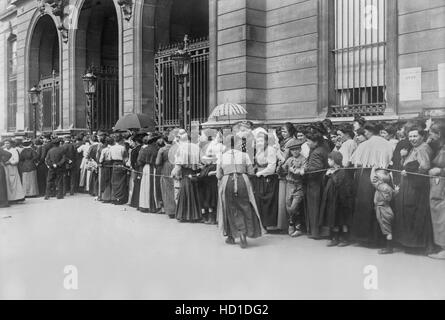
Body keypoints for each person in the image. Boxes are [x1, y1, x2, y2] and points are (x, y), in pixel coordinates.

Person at [216, 134, 264, 248]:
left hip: (227, 181)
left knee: (229, 208)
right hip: (243, 181)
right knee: (245, 207)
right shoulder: (245, 155)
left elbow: (218, 175)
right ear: (237, 143)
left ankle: (231, 235)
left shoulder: (222, 156)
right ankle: (243, 234)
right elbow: (251, 172)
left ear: (225, 144)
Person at [350, 122, 393, 247]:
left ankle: (364, 237)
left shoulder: (364, 145)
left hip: (366, 176)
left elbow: (355, 161)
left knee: (365, 205)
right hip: (382, 175)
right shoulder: (387, 144)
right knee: (380, 206)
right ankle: (379, 239)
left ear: (368, 132)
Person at [394, 126, 434, 253]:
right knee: (408, 212)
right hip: (408, 185)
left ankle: (416, 245)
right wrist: (403, 157)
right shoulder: (415, 148)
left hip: (416, 187)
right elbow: (407, 165)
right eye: (410, 136)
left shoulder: (423, 148)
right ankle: (410, 243)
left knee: (413, 212)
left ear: (422, 136)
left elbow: (425, 167)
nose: (412, 139)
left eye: (415, 136)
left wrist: (410, 173)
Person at [319, 151, 354, 247]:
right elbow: (325, 183)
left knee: (342, 220)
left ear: (334, 161)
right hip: (331, 199)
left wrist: (332, 174)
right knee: (333, 219)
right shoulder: (331, 170)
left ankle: (345, 238)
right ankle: (335, 238)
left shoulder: (342, 171)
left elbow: (338, 183)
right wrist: (326, 175)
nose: (328, 161)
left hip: (340, 200)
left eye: (329, 159)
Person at [302, 131, 329, 238]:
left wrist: (304, 169)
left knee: (314, 207)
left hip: (315, 183)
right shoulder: (322, 149)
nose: (307, 143)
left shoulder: (317, 152)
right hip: (320, 182)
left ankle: (315, 232)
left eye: (308, 141)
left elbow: (316, 168)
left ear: (316, 142)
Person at [172, 129, 202, 222]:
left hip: (185, 174)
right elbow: (202, 162)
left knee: (185, 193)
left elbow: (178, 165)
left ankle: (184, 215)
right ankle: (195, 215)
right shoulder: (197, 147)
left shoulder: (181, 148)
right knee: (194, 194)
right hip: (194, 174)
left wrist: (173, 174)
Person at [251, 131, 279, 231]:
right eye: (258, 140)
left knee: (266, 201)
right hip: (259, 178)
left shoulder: (270, 150)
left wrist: (259, 173)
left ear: (267, 141)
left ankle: (267, 225)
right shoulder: (259, 150)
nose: (259, 142)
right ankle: (261, 224)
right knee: (259, 200)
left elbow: (271, 167)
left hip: (268, 178)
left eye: (262, 140)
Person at [277, 139, 306, 237]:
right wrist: (280, 167)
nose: (295, 151)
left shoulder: (304, 159)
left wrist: (296, 170)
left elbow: (304, 171)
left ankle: (292, 224)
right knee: (288, 206)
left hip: (298, 185)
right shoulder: (289, 159)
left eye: (297, 149)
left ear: (300, 149)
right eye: (293, 150)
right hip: (289, 185)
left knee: (294, 207)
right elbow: (282, 171)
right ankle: (297, 226)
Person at [427, 121, 445, 259]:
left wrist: (440, 170)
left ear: (439, 133)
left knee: (442, 217)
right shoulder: (439, 146)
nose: (430, 136)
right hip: (438, 188)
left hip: (442, 188)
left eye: (431, 133)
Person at [370, 167, 398, 254]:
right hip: (387, 208)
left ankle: (389, 248)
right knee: (387, 228)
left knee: (387, 230)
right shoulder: (389, 187)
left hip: (382, 209)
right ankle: (388, 247)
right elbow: (393, 194)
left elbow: (373, 180)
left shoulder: (382, 186)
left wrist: (373, 169)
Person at [276, 123, 297, 233]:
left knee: (288, 200)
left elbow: (284, 158)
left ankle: (291, 224)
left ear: (290, 132)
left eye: (285, 131)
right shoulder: (284, 141)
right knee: (283, 200)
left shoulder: (291, 142)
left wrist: (277, 152)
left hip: (289, 173)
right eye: (282, 131)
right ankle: (284, 224)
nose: (283, 133)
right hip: (283, 172)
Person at [156, 130, 178, 218]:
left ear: (164, 141)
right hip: (175, 167)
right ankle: (177, 209)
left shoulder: (162, 149)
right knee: (175, 188)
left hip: (166, 168)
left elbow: (157, 162)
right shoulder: (176, 148)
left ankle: (170, 210)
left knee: (167, 190)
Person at [138, 133, 161, 213]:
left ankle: (145, 205)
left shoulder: (144, 149)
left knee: (145, 186)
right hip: (154, 168)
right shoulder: (157, 149)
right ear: (154, 141)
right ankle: (154, 205)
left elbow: (140, 161)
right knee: (154, 186)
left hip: (146, 168)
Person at [197, 148, 218, 224]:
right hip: (207, 186)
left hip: (210, 186)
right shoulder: (208, 166)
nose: (207, 160)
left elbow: (204, 175)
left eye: (209, 159)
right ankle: (209, 218)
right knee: (208, 202)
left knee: (210, 202)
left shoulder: (212, 167)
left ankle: (211, 219)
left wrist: (197, 176)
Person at [110, 135, 129, 205]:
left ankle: (114, 197)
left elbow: (110, 157)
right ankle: (120, 198)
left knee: (114, 181)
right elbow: (126, 158)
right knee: (121, 182)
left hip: (114, 164)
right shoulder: (122, 148)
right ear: (121, 140)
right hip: (121, 164)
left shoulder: (111, 148)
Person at [129, 134, 143, 209]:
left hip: (136, 169)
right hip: (142, 169)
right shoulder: (142, 148)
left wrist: (134, 168)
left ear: (136, 142)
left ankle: (135, 201)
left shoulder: (134, 150)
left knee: (135, 184)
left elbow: (132, 162)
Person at [98, 137, 113, 203]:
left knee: (105, 181)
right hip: (112, 165)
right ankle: (111, 197)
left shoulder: (104, 150)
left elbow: (101, 159)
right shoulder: (113, 149)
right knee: (111, 180)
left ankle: (105, 197)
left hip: (105, 166)